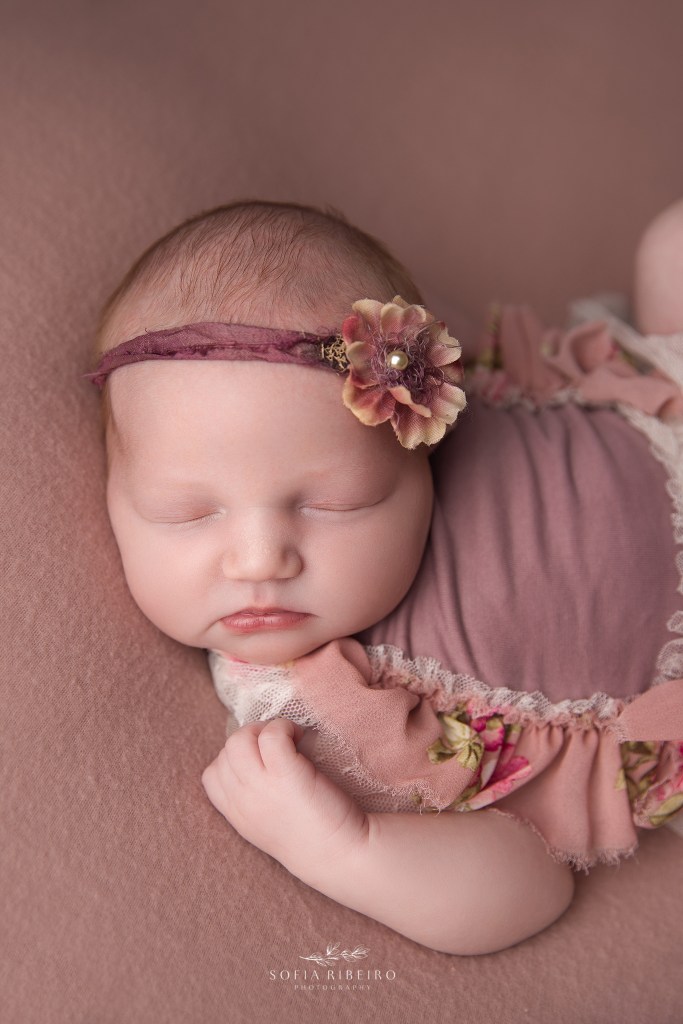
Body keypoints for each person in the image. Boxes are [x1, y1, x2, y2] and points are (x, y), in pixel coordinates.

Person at [87, 199, 683, 955]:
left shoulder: (429, 406)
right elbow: (532, 884)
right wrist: (345, 848)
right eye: (186, 513)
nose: (260, 560)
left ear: (425, 455)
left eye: (335, 503)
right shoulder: (334, 721)